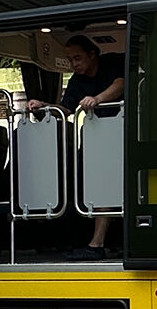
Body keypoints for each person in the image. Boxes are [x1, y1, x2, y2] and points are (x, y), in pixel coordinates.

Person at [50, 35, 124, 259]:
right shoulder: (76, 81)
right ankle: (99, 242)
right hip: (100, 139)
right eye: (70, 60)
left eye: (77, 58)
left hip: (125, 133)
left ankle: (102, 242)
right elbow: (66, 109)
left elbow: (121, 84)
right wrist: (44, 106)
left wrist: (97, 99)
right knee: (99, 187)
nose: (74, 64)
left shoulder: (112, 62)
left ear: (92, 54)